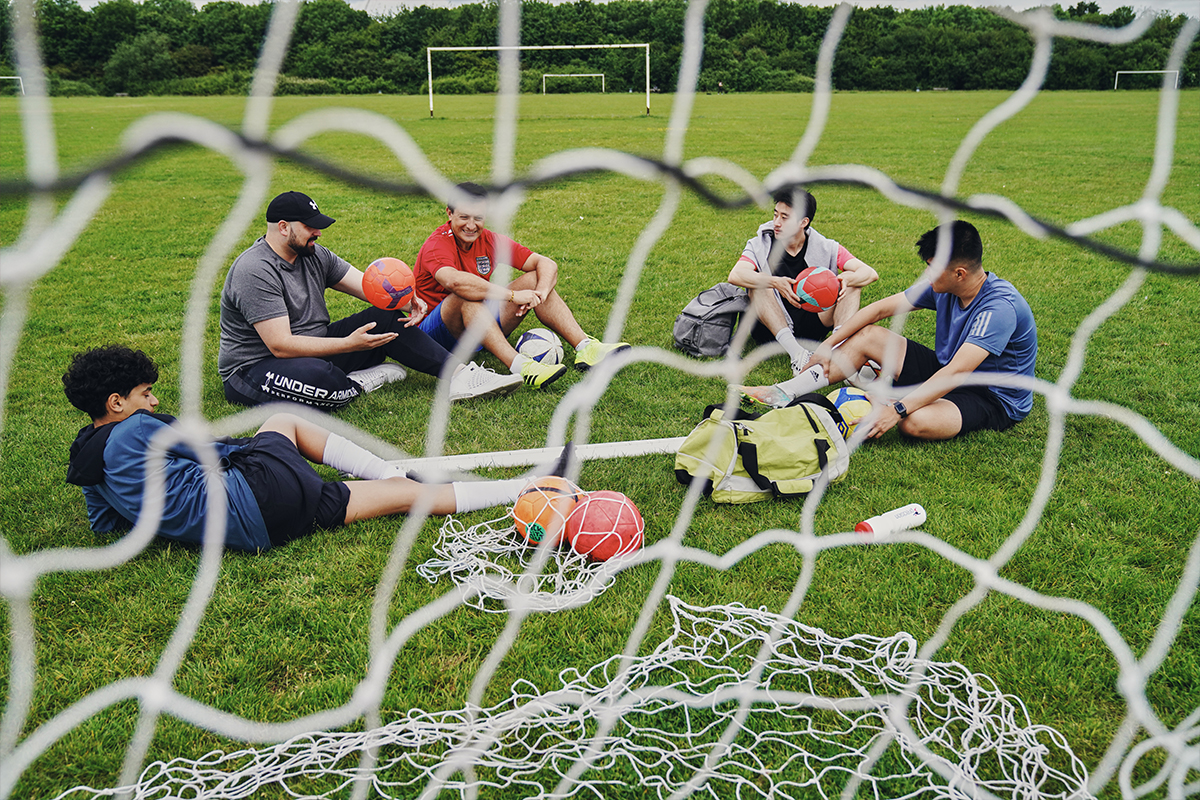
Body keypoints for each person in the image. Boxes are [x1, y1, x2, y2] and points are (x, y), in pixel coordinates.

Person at [64, 345, 557, 553]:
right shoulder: (138, 428)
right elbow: (212, 451)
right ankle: (534, 486)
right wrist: (260, 449)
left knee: (400, 497)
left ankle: (526, 487)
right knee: (282, 420)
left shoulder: (85, 461)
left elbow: (105, 524)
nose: (153, 400)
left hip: (260, 532)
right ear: (116, 402)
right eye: (145, 393)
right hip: (256, 492)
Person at [218, 191, 521, 411]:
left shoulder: (314, 254)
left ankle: (461, 376)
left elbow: (370, 286)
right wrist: (349, 345)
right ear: (284, 227)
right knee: (324, 381)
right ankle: (357, 382)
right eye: (310, 226)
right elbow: (281, 345)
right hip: (256, 367)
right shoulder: (254, 270)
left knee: (386, 317)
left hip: (314, 344)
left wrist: (407, 301)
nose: (318, 232)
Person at [739, 220, 1037, 441]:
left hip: (991, 397)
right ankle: (784, 393)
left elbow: (958, 373)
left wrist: (898, 410)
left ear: (959, 273)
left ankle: (889, 397)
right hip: (946, 368)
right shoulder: (944, 287)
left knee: (913, 423)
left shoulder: (999, 308)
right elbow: (878, 310)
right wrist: (828, 344)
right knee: (869, 335)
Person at [412, 183, 631, 389]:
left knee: (536, 277)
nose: (471, 225)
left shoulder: (489, 240)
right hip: (436, 338)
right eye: (464, 217)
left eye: (478, 218)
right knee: (464, 296)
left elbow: (545, 263)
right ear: (449, 214)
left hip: (476, 326)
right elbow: (455, 281)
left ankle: (586, 348)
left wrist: (540, 294)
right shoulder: (437, 244)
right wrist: (513, 295)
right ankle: (521, 367)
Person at [727, 187, 879, 375]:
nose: (776, 223)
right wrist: (774, 282)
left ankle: (841, 350)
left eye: (785, 217)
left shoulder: (825, 246)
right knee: (758, 285)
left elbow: (870, 273)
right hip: (771, 330)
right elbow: (736, 275)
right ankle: (797, 354)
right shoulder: (760, 244)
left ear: (803, 222)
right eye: (776, 215)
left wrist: (847, 278)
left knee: (853, 285)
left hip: (813, 323)